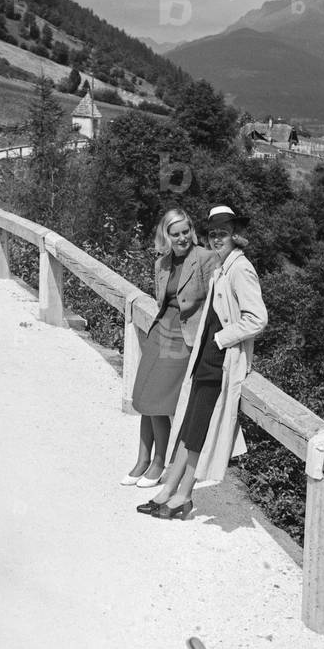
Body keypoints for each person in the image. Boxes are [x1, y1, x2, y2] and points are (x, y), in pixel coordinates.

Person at [138, 205, 267, 519]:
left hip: (220, 358)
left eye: (223, 233)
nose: (217, 239)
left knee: (198, 431)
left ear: (236, 235)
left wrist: (221, 340)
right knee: (189, 425)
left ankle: (183, 494)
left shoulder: (240, 268)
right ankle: (169, 490)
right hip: (205, 356)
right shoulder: (225, 265)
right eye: (213, 234)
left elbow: (257, 319)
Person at [123, 208, 220, 487]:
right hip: (160, 330)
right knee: (142, 396)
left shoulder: (205, 258)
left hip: (184, 336)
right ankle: (142, 459)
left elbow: (217, 301)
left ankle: (158, 462)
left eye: (185, 231)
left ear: (192, 230)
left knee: (158, 400)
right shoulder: (162, 263)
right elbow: (161, 301)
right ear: (166, 235)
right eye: (175, 234)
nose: (182, 238)